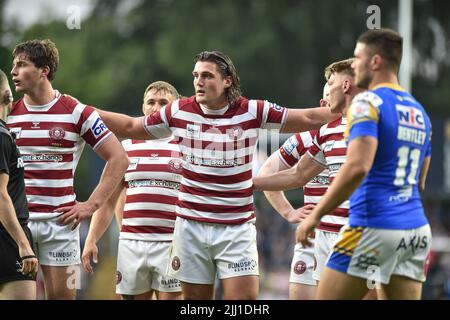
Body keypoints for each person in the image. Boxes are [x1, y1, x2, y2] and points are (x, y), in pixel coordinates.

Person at [95, 50, 337, 300]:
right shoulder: (179, 111)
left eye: (207, 76)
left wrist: (353, 107)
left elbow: (309, 117)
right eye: (196, 75)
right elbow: (130, 126)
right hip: (191, 228)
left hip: (237, 227)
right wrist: (83, 111)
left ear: (227, 80)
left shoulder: (253, 111)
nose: (198, 82)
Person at [297, 28, 432, 300]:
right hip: (414, 231)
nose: (354, 64)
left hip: (372, 227)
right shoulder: (419, 111)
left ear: (376, 62)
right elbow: (420, 182)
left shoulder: (367, 103)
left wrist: (315, 215)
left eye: (358, 58)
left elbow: (357, 167)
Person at [7, 39, 129, 299]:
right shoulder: (7, 114)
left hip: (60, 225)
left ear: (44, 71)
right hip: (18, 225)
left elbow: (119, 158)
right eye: (13, 66)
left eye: (21, 65)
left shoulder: (76, 112)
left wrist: (89, 205)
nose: (13, 72)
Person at [253, 58, 364, 291]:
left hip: (358, 232)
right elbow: (296, 174)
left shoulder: (369, 125)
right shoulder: (317, 136)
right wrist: (288, 212)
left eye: (331, 86)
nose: (326, 102)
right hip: (316, 236)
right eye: (323, 99)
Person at [82, 81, 183, 300]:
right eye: (151, 102)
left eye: (163, 102)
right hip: (132, 244)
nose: (156, 108)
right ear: (143, 107)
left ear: (174, 108)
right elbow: (107, 201)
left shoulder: (185, 147)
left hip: (172, 244)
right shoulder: (125, 148)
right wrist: (91, 239)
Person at [256, 83, 330, 300]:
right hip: (313, 240)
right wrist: (289, 213)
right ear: (322, 104)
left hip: (351, 238)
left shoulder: (365, 137)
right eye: (327, 98)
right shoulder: (306, 139)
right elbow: (268, 171)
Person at [0, 69, 39, 300]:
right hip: (7, 236)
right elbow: (1, 196)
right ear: (7, 95)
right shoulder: (2, 135)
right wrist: (24, 246)